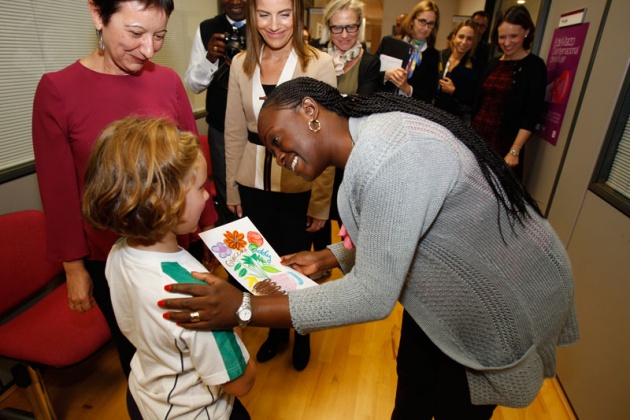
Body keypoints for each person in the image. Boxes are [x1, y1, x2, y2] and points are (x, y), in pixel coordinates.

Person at [159, 77, 579, 419]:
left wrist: (244, 308)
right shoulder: (365, 144)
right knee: (412, 385)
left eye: (276, 139)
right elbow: (397, 233)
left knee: (455, 406)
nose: (277, 155)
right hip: (442, 291)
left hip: (500, 291)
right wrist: (330, 256)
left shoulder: (390, 155)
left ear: (309, 111)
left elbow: (374, 295)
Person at [32, 0, 218, 387]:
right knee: (143, 355)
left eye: (159, 36)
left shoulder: (166, 81)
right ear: (98, 15)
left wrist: (210, 232)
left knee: (196, 347)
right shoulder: (58, 90)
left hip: (176, 242)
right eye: (135, 33)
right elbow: (58, 190)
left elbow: (192, 165)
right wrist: (73, 267)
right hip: (109, 255)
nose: (148, 49)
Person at [82, 116, 255, 419]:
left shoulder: (118, 252)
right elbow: (241, 382)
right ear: (165, 202)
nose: (207, 195)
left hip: (146, 397)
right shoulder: (195, 295)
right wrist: (236, 315)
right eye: (201, 187)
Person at [223, 0, 337, 371]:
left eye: (284, 14)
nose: (274, 25)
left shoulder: (317, 64)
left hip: (299, 185)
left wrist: (320, 203)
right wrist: (231, 189)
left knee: (296, 270)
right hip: (252, 183)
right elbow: (234, 130)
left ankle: (301, 333)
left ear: (298, 15)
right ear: (252, 15)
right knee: (263, 271)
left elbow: (329, 138)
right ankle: (276, 333)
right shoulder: (240, 63)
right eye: (265, 14)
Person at [309, 0, 381, 264]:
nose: (344, 35)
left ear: (359, 25)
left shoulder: (370, 62)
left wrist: (327, 103)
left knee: (346, 214)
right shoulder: (315, 54)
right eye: (337, 28)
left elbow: (362, 105)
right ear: (328, 27)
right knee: (315, 211)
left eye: (350, 27)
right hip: (315, 147)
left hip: (350, 152)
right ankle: (318, 266)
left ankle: (347, 264)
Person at [185, 0, 247, 227]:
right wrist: (210, 58)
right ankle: (233, 251)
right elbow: (194, 84)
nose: (236, 1)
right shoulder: (206, 28)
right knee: (225, 191)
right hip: (220, 128)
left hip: (256, 128)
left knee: (256, 190)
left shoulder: (264, 24)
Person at [471, 5, 547, 181]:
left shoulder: (534, 66)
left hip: (504, 146)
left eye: (513, 36)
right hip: (478, 138)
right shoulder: (493, 63)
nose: (506, 42)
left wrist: (514, 151)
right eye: (502, 37)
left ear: (526, 31)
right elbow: (479, 102)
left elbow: (531, 114)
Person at [375, 0, 440, 103]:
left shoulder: (433, 56)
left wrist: (407, 88)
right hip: (381, 104)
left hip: (411, 111)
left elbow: (429, 95)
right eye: (422, 21)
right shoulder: (390, 43)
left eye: (431, 24)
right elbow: (369, 75)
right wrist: (387, 75)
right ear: (412, 20)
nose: (426, 28)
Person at [434, 20, 480, 122]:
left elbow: (474, 100)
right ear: (454, 37)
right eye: (461, 37)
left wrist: (454, 91)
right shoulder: (439, 56)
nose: (464, 42)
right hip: (431, 113)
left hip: (454, 120)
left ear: (473, 42)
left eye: (469, 39)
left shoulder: (474, 68)